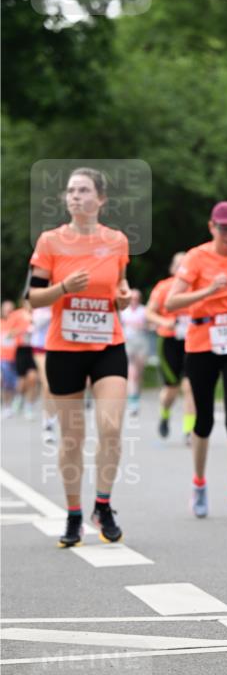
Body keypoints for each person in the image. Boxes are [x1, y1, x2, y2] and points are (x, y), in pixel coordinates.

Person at [28, 167, 131, 546]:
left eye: (83, 190)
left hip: (107, 344)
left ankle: (102, 504)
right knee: (72, 439)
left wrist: (124, 296)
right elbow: (34, 297)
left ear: (100, 199)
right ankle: (73, 514)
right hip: (64, 348)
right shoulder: (51, 241)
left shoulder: (117, 241)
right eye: (70, 191)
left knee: (111, 426)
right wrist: (63, 288)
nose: (75, 196)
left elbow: (120, 285)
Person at [165, 201, 227, 521]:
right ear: (212, 227)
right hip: (201, 342)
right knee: (203, 421)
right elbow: (171, 301)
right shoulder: (196, 257)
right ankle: (200, 483)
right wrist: (206, 290)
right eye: (224, 228)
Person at [146, 253, 196, 443]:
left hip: (191, 342)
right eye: (179, 265)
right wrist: (165, 322)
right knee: (171, 388)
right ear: (172, 269)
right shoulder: (164, 287)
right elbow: (149, 313)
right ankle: (165, 413)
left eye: (186, 265)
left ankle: (189, 430)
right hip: (169, 342)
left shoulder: (195, 288)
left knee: (190, 387)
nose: (183, 268)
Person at [30, 304, 58, 443]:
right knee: (47, 383)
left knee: (58, 385)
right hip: (40, 347)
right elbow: (37, 323)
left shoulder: (61, 302)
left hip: (58, 347)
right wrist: (53, 314)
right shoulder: (39, 307)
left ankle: (52, 415)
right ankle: (47, 424)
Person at [7, 301, 39, 419]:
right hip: (21, 350)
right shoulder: (16, 314)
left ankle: (29, 406)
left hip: (34, 349)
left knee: (33, 378)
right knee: (22, 381)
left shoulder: (38, 314)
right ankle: (18, 398)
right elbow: (9, 334)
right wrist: (24, 329)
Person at [120, 289, 149, 416]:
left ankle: (136, 396)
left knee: (139, 374)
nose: (134, 301)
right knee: (132, 373)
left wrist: (143, 326)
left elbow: (151, 325)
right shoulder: (124, 312)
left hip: (141, 342)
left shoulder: (144, 311)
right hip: (128, 342)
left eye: (136, 298)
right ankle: (133, 402)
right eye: (132, 298)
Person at [1, 300, 18, 412]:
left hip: (15, 358)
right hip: (2, 358)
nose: (8, 312)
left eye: (11, 310)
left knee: (10, 384)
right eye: (6, 310)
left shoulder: (18, 324)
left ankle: (9, 404)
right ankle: (6, 405)